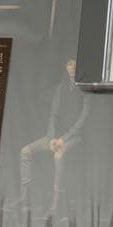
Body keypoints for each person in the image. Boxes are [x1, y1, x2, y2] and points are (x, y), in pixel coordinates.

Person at [18, 58, 89, 214]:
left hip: (73, 138)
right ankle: (25, 196)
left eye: (75, 66)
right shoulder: (60, 88)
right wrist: (51, 138)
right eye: (69, 65)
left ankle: (56, 202)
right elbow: (53, 114)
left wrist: (63, 138)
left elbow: (83, 119)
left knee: (58, 156)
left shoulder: (86, 91)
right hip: (54, 137)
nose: (72, 69)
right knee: (25, 151)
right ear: (66, 68)